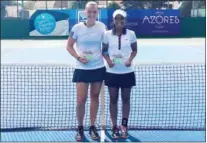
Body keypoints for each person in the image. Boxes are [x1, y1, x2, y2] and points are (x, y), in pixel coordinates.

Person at [67, 1, 106, 141]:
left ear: (97, 13)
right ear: (85, 12)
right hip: (82, 68)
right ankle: (80, 128)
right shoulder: (77, 28)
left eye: (94, 12)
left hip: (98, 67)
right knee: (81, 100)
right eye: (89, 11)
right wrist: (78, 57)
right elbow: (69, 46)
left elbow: (107, 45)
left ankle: (92, 127)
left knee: (94, 98)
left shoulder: (102, 27)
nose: (91, 14)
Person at [102, 9, 137, 139]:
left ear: (124, 20)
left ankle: (124, 126)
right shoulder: (107, 35)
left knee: (126, 99)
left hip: (127, 72)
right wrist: (109, 61)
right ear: (113, 21)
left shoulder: (131, 34)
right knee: (113, 99)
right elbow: (104, 51)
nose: (119, 21)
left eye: (121, 19)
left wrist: (129, 60)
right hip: (112, 72)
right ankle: (114, 126)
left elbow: (135, 50)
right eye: (117, 19)